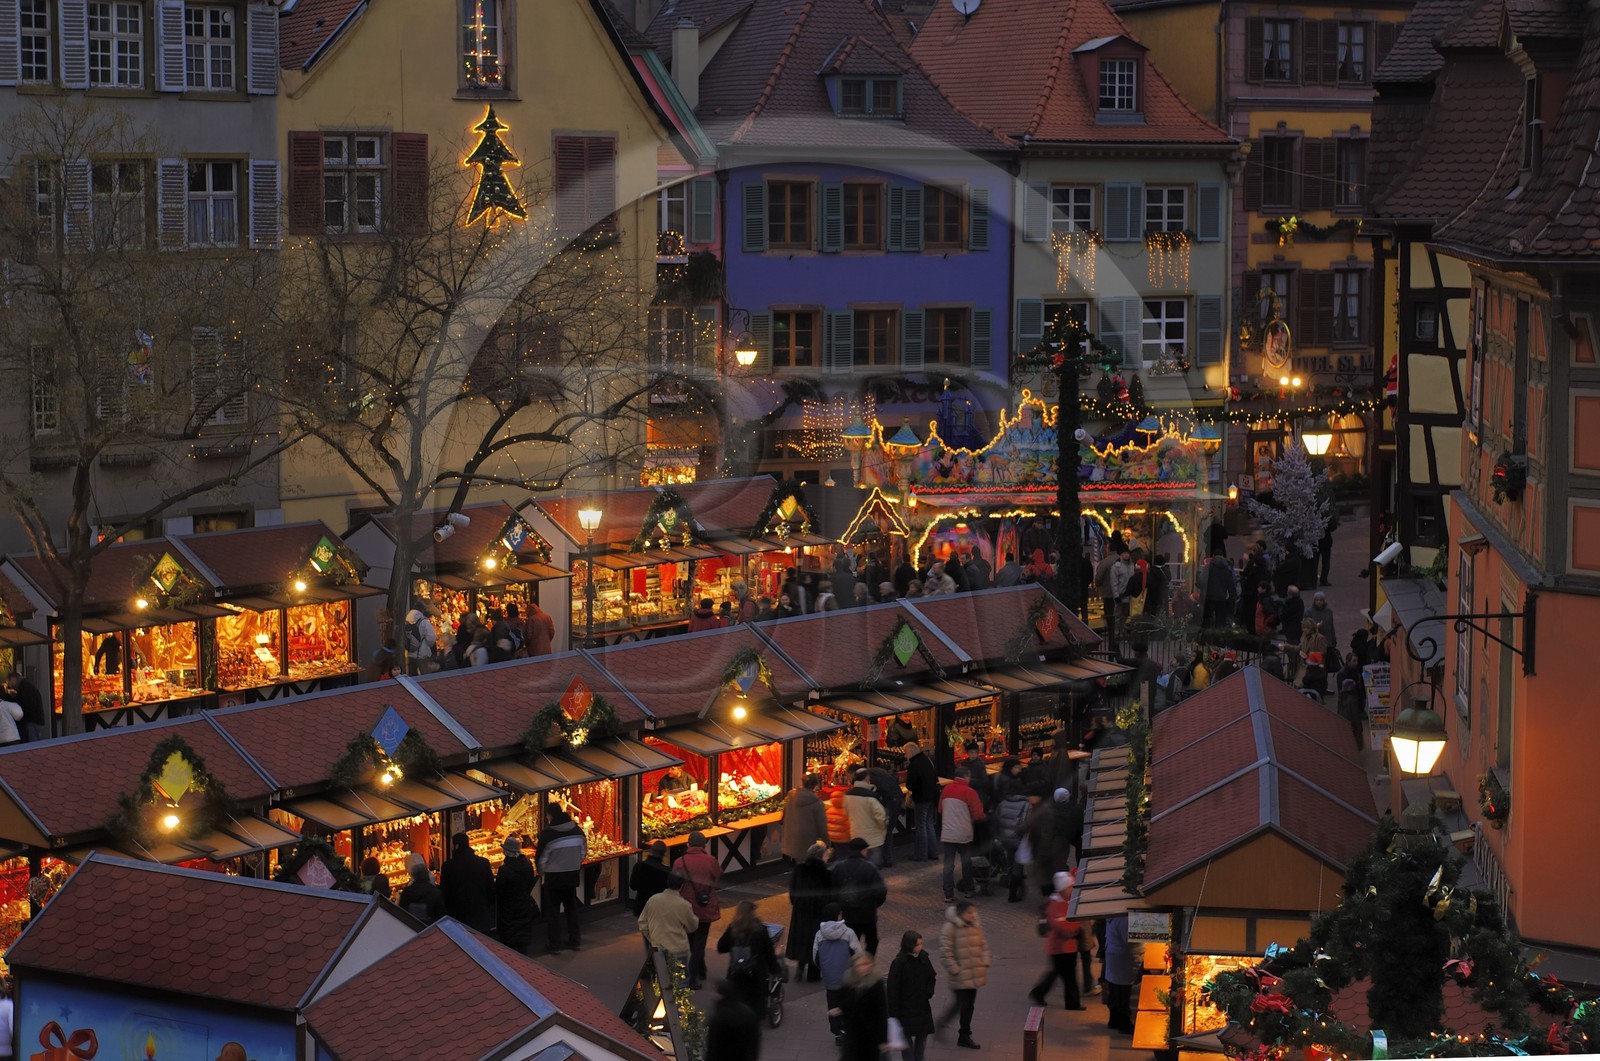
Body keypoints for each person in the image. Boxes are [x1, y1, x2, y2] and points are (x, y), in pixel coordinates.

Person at [936, 899, 991, 1050]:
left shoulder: (975, 924)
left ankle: (962, 1034)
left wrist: (985, 960)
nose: (973, 915)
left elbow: (983, 944)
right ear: (961, 913)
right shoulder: (950, 928)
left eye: (974, 912)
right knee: (961, 1004)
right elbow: (945, 952)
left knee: (968, 1005)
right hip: (959, 975)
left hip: (973, 974)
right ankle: (959, 1032)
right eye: (970, 912)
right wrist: (955, 969)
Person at [1029, 871, 1086, 1010]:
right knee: (1068, 976)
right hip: (1061, 947)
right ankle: (1071, 1003)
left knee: (1059, 973)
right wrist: (1076, 930)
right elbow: (1061, 925)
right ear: (1063, 889)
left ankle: (1039, 993)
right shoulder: (1058, 904)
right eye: (1070, 887)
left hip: (1064, 947)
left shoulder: (1062, 901)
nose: (1072, 889)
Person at [674, 830, 723, 989]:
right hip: (705, 907)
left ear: (688, 844)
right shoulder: (711, 860)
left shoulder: (679, 862)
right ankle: (694, 977)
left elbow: (675, 881)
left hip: (686, 906)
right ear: (704, 845)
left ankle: (698, 971)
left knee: (691, 941)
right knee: (700, 943)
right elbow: (717, 876)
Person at [716, 899, 781, 1016]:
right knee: (754, 1007)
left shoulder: (733, 928)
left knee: (736, 1003)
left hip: (736, 972)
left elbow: (721, 947)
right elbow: (769, 953)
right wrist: (775, 969)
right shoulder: (760, 929)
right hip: (756, 974)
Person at [537, 805, 588, 953]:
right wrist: (572, 863)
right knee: (571, 908)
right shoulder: (578, 831)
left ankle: (554, 944)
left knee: (553, 911)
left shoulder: (548, 834)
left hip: (554, 876)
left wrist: (542, 873)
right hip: (572, 875)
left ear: (550, 816)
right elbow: (583, 854)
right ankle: (574, 940)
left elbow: (542, 859)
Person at [815, 902, 865, 1040]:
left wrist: (825, 969)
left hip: (830, 979)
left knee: (833, 1004)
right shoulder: (848, 933)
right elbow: (858, 954)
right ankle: (848, 1030)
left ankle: (838, 1031)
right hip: (848, 978)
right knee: (849, 1004)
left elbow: (815, 956)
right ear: (839, 916)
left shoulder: (819, 934)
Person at [831, 837, 887, 955]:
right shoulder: (869, 867)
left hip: (848, 914)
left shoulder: (839, 867)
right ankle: (867, 964)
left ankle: (852, 967)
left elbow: (832, 891)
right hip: (867, 914)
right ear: (862, 851)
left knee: (849, 944)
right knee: (872, 941)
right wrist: (874, 904)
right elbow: (881, 891)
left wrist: (839, 906)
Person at [787, 839, 833, 981]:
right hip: (817, 914)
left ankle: (800, 971)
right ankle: (813, 975)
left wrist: (797, 904)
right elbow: (830, 895)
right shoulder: (825, 873)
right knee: (815, 942)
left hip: (801, 912)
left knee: (802, 939)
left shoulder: (799, 870)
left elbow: (792, 892)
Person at [939, 766, 987, 903]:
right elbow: (978, 814)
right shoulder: (969, 792)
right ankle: (968, 889)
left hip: (948, 833)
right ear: (966, 776)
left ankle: (948, 893)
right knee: (966, 862)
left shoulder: (946, 790)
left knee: (948, 863)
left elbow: (940, 809)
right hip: (963, 833)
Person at [887, 930, 937, 1061]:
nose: (920, 947)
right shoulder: (898, 964)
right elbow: (892, 990)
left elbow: (931, 977)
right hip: (905, 1011)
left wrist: (928, 992)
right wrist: (893, 1014)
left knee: (921, 1042)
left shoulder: (923, 957)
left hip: (922, 1008)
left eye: (921, 943)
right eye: (918, 944)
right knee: (907, 1047)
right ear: (909, 945)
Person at [640, 873, 701, 970]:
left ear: (667, 882)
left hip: (658, 947)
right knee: (680, 981)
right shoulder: (684, 905)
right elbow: (692, 927)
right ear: (682, 885)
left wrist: (651, 938)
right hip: (678, 949)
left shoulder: (653, 899)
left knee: (661, 980)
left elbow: (642, 922)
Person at [836, 950, 889, 1061]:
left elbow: (882, 1013)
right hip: (853, 1034)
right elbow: (843, 1001)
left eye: (866, 964)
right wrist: (841, 1010)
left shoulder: (876, 984)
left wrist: (883, 1040)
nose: (863, 967)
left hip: (870, 1036)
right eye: (859, 965)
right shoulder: (848, 980)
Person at [438, 832, 495, 933]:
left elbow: (445, 892)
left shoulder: (448, 866)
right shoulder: (483, 863)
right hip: (480, 913)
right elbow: (490, 888)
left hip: (458, 915)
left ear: (456, 846)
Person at [495, 835, 539, 954]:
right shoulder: (528, 865)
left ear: (507, 851)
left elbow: (499, 890)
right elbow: (530, 882)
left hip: (509, 910)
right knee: (523, 941)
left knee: (509, 943)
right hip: (524, 906)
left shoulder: (504, 870)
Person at [992, 774, 1031, 902]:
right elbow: (1028, 822)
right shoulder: (1026, 805)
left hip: (1005, 839)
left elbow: (996, 820)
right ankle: (1013, 894)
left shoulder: (1002, 803)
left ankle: (1013, 884)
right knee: (1018, 866)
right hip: (1019, 839)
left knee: (1010, 862)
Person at [705, 979, 763, 1061]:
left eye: (714, 991)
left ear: (720, 995)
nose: (711, 995)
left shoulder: (719, 1018)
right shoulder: (749, 1013)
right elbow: (754, 1044)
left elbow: (713, 1049)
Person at [843, 770, 889, 865]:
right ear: (867, 778)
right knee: (873, 867)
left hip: (856, 835)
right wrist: (883, 830)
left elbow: (846, 813)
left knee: (858, 865)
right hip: (873, 838)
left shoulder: (847, 795)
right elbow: (881, 817)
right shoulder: (871, 797)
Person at [780, 773, 829, 862]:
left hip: (791, 839)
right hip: (807, 841)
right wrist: (827, 842)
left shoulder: (791, 796)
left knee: (799, 865)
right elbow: (822, 826)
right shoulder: (817, 803)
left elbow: (784, 815)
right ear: (815, 785)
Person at [1101, 913, 1137, 1033]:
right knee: (1122, 991)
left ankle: (1114, 1020)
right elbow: (1129, 940)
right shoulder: (1124, 919)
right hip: (1122, 958)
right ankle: (1124, 1023)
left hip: (1115, 955)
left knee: (1115, 989)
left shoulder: (1115, 917)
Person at [904, 742, 939, 862]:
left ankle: (922, 854)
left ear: (911, 752)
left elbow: (910, 785)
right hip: (932, 797)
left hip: (921, 798)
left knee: (921, 827)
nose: (905, 755)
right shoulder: (928, 760)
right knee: (929, 825)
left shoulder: (914, 765)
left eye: (905, 753)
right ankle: (933, 852)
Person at [629, 840, 673, 917]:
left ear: (651, 850)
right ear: (664, 853)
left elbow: (633, 886)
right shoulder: (666, 871)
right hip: (659, 908)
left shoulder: (638, 866)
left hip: (642, 906)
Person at [398, 858, 445, 925]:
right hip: (431, 928)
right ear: (427, 875)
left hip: (412, 927)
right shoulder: (435, 893)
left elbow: (401, 913)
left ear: (414, 876)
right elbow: (441, 915)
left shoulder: (407, 892)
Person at [4, 673, 46, 743]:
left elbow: (26, 704)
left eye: (9, 682)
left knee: (33, 743)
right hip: (35, 719)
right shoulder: (26, 685)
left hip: (32, 720)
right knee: (34, 742)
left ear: (13, 680)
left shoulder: (24, 687)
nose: (9, 685)